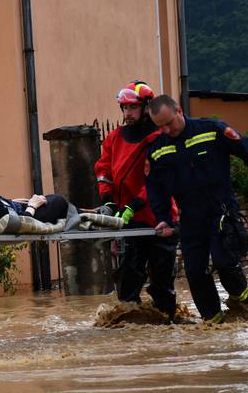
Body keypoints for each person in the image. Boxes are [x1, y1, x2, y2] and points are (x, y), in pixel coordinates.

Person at [146, 94, 248, 323]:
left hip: (221, 211)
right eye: (160, 127)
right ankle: (213, 322)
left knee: (224, 261)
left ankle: (246, 302)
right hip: (190, 219)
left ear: (179, 111)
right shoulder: (158, 149)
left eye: (169, 123)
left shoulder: (211, 129)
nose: (167, 130)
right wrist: (164, 219)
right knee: (195, 272)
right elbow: (155, 188)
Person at [93, 80, 179, 320]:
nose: (126, 113)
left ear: (146, 107)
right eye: (123, 108)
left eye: (131, 108)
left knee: (162, 280)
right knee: (128, 277)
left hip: (158, 218)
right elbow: (103, 171)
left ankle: (167, 322)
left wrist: (135, 204)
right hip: (130, 220)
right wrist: (109, 200)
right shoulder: (114, 138)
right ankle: (131, 326)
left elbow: (158, 180)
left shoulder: (158, 138)